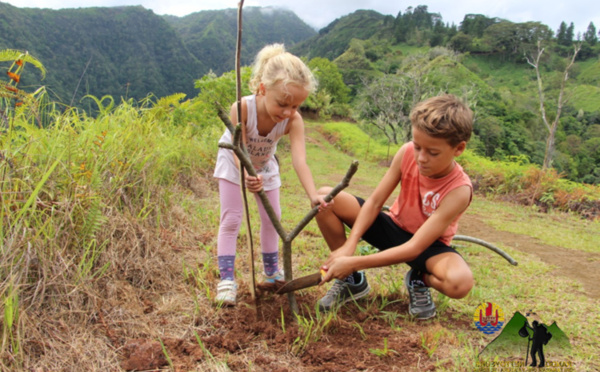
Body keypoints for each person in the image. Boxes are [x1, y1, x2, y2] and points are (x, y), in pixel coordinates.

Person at [314, 94, 475, 319]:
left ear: (458, 148)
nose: (421, 158)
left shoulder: (459, 190)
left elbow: (414, 248)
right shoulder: (407, 152)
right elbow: (375, 202)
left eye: (433, 152)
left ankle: (420, 279)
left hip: (427, 247)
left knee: (460, 283)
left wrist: (353, 262)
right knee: (325, 198)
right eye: (418, 147)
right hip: (392, 226)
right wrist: (350, 245)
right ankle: (352, 281)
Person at [213, 44, 326, 306]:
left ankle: (272, 272)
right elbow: (236, 148)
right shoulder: (242, 108)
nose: (287, 112)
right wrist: (245, 174)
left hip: (265, 166)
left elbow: (300, 161)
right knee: (231, 219)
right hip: (234, 163)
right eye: (282, 103)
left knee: (272, 219)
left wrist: (312, 195)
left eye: (296, 106)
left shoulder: (293, 121)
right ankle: (227, 280)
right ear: (263, 89)